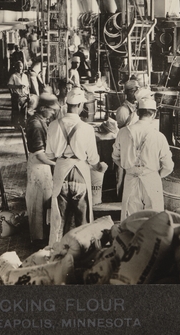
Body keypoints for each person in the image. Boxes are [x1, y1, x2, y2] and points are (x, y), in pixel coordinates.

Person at [45, 87, 107, 244]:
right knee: (83, 222)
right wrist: (101, 167)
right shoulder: (86, 129)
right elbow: (93, 160)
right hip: (80, 175)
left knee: (59, 220)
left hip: (61, 174)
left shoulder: (53, 125)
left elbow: (50, 155)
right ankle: (83, 252)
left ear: (67, 104)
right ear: (80, 105)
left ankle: (55, 253)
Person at [112, 95, 174, 219]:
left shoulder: (123, 132)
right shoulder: (159, 136)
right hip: (151, 180)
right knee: (154, 220)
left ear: (137, 112)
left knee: (131, 221)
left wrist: (128, 168)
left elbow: (115, 157)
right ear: (154, 114)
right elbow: (168, 166)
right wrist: (155, 174)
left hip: (131, 179)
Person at [25, 92, 59, 247]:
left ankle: (41, 235)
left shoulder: (39, 120)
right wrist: (55, 164)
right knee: (38, 204)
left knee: (42, 202)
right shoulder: (36, 125)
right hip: (39, 167)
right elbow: (39, 154)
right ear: (43, 108)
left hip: (41, 165)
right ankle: (37, 240)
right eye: (51, 110)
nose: (52, 113)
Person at [7, 60, 30, 129]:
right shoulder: (13, 76)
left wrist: (28, 95)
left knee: (24, 111)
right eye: (18, 66)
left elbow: (27, 86)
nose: (20, 68)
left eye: (21, 66)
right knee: (16, 111)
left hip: (24, 96)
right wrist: (18, 86)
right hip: (17, 96)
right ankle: (16, 125)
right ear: (16, 67)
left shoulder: (25, 76)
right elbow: (9, 85)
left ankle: (23, 124)